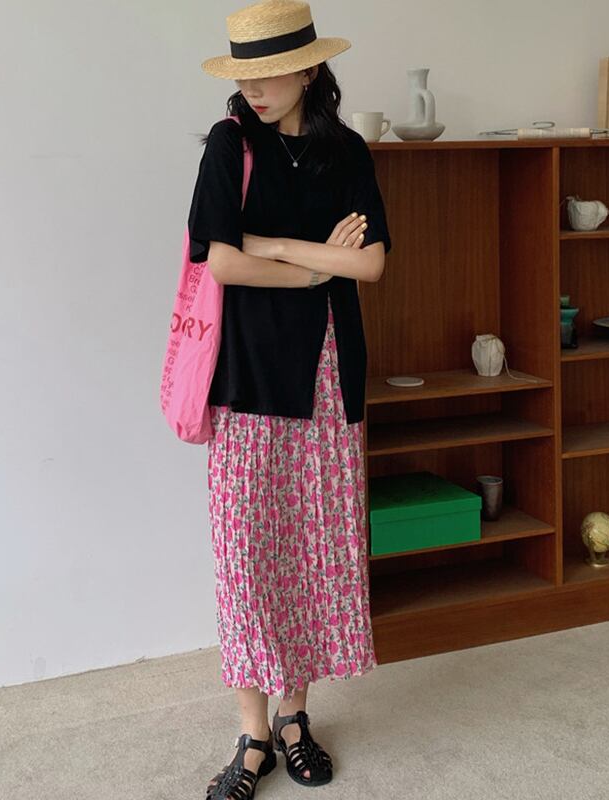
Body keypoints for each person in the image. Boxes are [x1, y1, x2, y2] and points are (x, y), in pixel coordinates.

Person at [188, 2, 392, 797]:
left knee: (311, 548)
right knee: (245, 553)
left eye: (271, 72)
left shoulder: (346, 152)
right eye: (247, 74)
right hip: (249, 375)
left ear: (309, 69)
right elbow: (221, 261)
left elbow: (369, 264)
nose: (257, 88)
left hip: (329, 372)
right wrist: (312, 267)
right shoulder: (230, 145)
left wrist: (270, 244)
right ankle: (251, 734)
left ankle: (295, 717)